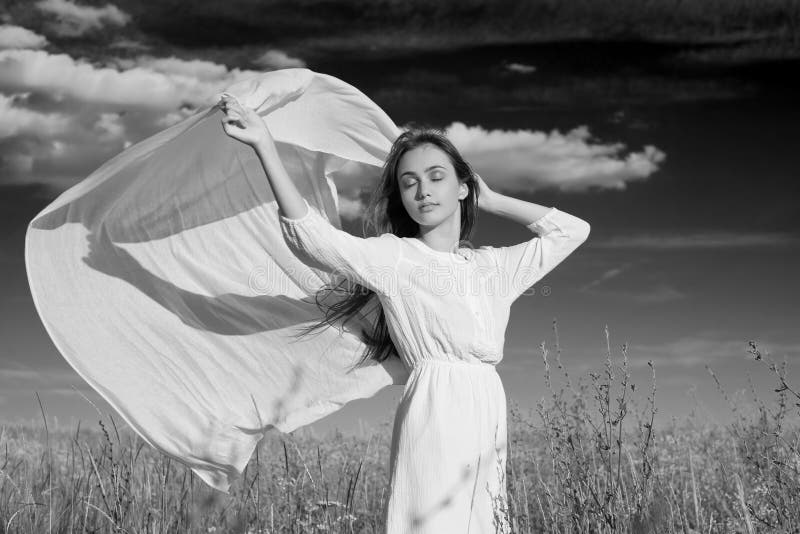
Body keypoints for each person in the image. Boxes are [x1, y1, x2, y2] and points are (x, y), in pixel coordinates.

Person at [218, 90, 591, 533]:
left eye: (436, 176)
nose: (423, 190)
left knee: (486, 522)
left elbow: (572, 231)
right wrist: (265, 147)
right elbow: (312, 240)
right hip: (434, 406)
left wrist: (493, 200)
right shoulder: (394, 258)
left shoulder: (493, 268)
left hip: (487, 405)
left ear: (462, 187)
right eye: (409, 181)